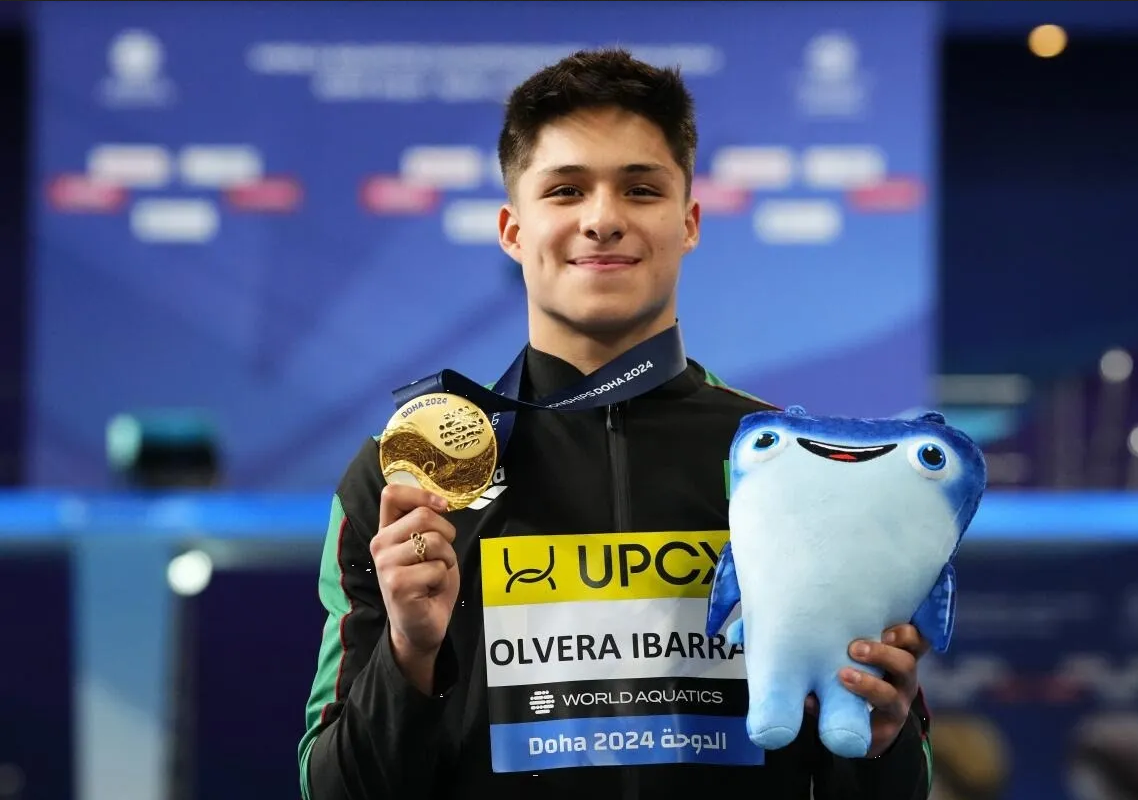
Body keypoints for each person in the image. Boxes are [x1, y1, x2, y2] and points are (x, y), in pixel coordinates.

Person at [298, 47, 935, 800]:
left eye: (640, 189)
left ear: (689, 221)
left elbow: (893, 778)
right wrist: (409, 652)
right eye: (566, 190)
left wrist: (880, 742)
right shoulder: (406, 474)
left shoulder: (803, 469)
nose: (602, 220)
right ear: (512, 229)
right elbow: (330, 789)